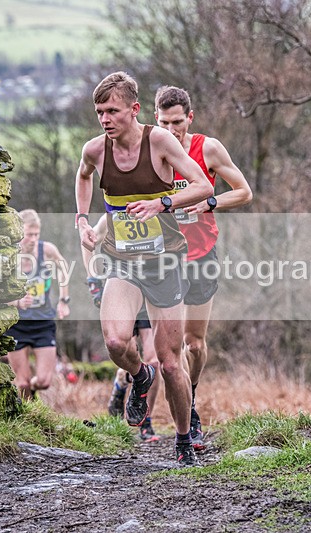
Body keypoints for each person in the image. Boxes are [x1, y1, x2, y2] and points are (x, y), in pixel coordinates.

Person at [75, 71, 213, 466]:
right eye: (99, 112)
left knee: (171, 362)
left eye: (112, 111)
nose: (104, 119)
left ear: (134, 110)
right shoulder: (95, 150)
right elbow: (83, 176)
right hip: (122, 261)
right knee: (117, 342)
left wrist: (163, 204)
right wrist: (82, 219)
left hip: (165, 261)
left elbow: (203, 186)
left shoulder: (160, 141)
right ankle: (139, 377)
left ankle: (184, 439)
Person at [154, 85, 253, 450]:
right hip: (163, 257)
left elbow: (244, 191)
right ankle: (185, 418)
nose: (172, 129)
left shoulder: (206, 148)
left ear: (189, 118)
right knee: (173, 344)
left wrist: (210, 202)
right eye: (164, 122)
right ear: (154, 119)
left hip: (202, 254)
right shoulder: (152, 150)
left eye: (177, 122)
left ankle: (191, 395)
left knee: (195, 343)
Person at [83, 215, 162, 442]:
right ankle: (121, 380)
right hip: (122, 286)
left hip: (151, 286)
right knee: (126, 348)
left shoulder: (155, 205)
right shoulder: (112, 215)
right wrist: (93, 281)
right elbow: (88, 242)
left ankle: (146, 421)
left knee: (154, 361)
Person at [5, 209, 72, 399]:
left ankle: (33, 392)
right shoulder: (10, 256)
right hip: (17, 325)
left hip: (43, 323)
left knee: (43, 381)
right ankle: (29, 419)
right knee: (22, 382)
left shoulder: (46, 250)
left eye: (36, 234)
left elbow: (63, 268)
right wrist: (17, 301)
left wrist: (63, 300)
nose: (33, 239)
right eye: (28, 235)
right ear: (19, 233)